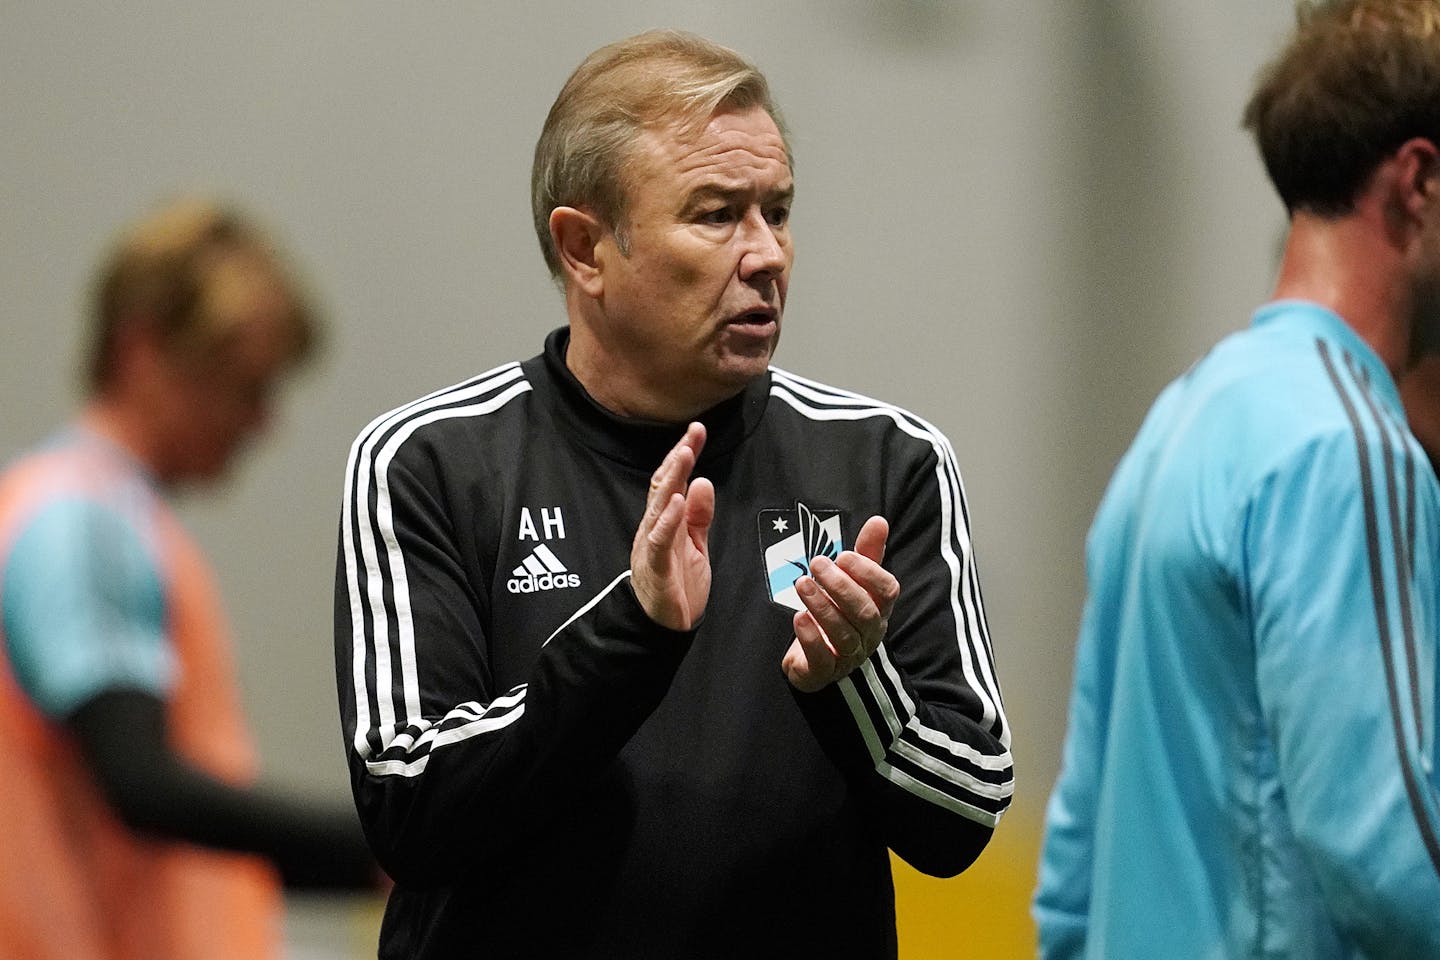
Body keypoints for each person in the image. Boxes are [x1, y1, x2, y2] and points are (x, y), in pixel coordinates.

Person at [334, 29, 1013, 959]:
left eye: (777, 211)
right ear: (585, 250)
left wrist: (855, 685)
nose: (767, 254)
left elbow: (963, 811)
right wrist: (632, 636)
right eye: (716, 214)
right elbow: (410, 807)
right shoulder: (430, 463)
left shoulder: (885, 465)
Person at [1033, 2, 1440, 957]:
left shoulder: (1184, 418)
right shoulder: (1352, 446)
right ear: (1419, 181)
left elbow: (1073, 871)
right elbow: (1392, 861)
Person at [0, 197, 375, 959]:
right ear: (143, 352)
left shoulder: (105, 517)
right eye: (244, 386)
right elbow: (142, 785)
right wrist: (387, 850)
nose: (261, 423)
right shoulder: (82, 523)